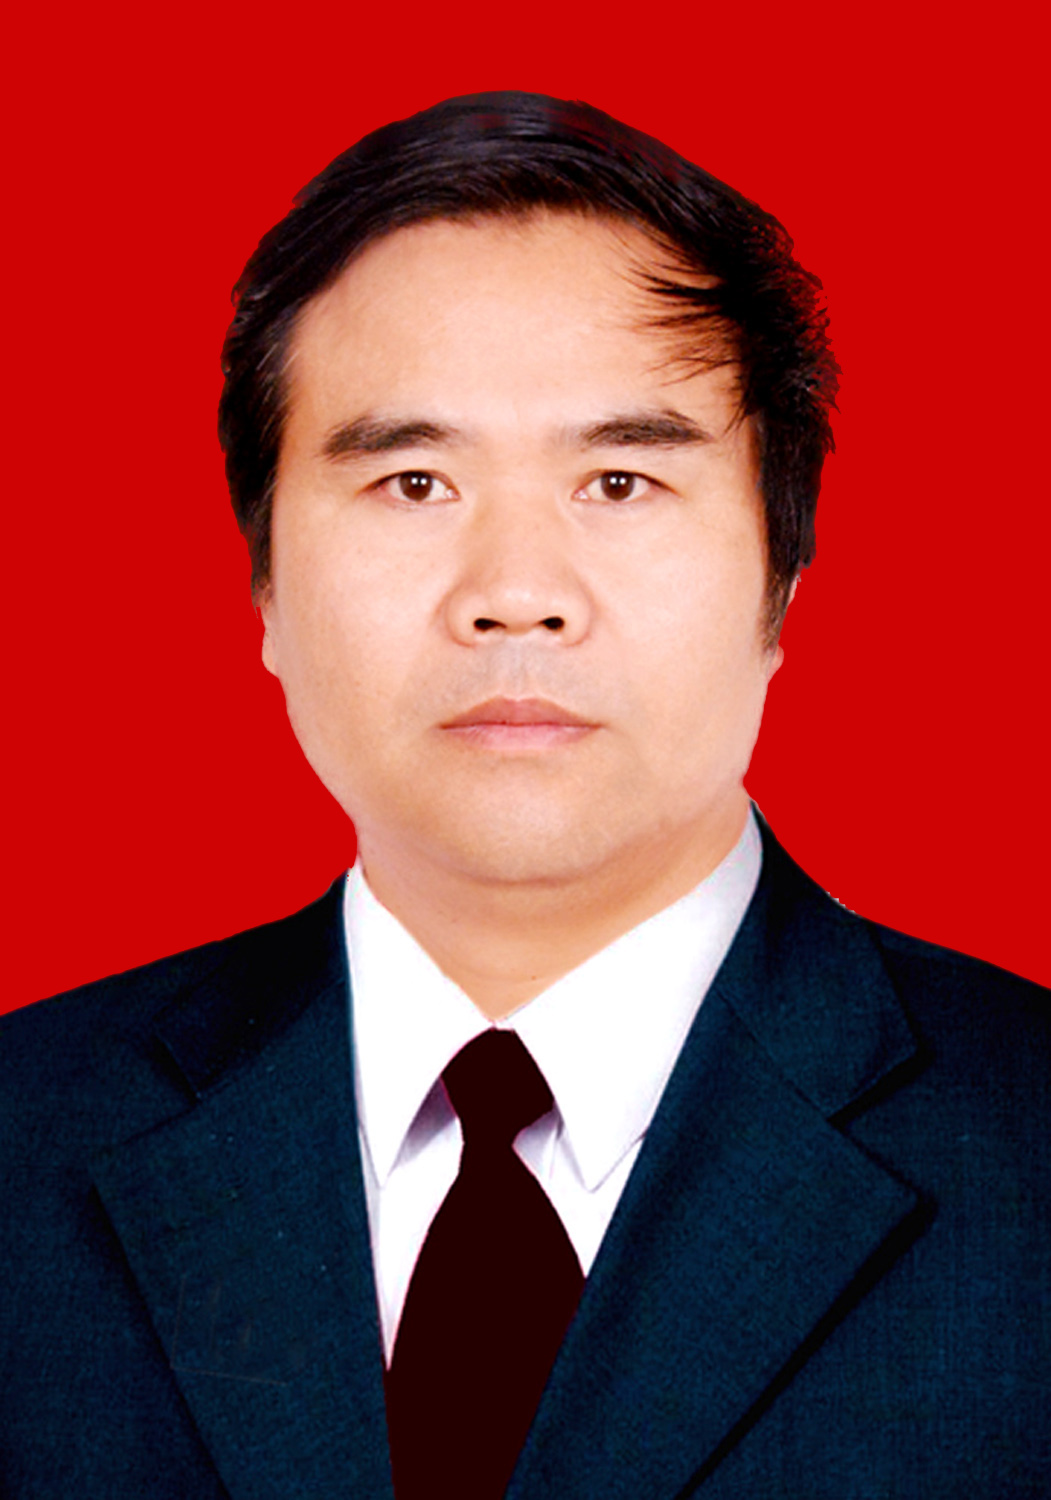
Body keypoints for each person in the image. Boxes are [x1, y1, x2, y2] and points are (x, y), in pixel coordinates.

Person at [1, 91, 1047, 1499]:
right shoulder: (23, 1133)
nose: (514, 595)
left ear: (782, 583)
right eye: (413, 481)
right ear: (263, 587)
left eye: (618, 480)